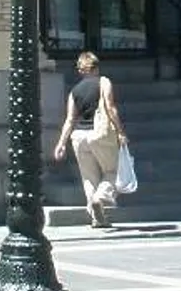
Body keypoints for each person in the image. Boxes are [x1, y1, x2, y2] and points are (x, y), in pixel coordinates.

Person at [53, 51, 127, 228]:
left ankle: (96, 217)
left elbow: (70, 119)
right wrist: (120, 131)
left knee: (88, 178)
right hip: (99, 134)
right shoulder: (104, 82)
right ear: (96, 67)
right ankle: (100, 198)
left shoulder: (74, 92)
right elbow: (110, 107)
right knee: (113, 170)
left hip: (79, 137)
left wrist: (61, 143)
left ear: (80, 70)